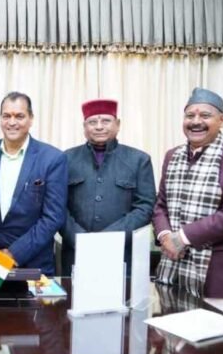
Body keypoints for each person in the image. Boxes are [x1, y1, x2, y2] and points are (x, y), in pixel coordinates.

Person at [153, 88, 223, 323]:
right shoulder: (173, 156)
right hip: (175, 276)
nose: (196, 122)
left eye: (205, 115)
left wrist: (181, 238)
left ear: (222, 120)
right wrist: (165, 236)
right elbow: (161, 205)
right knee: (177, 344)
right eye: (190, 115)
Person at [61, 99, 155, 276]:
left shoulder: (139, 160)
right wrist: (79, 239)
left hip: (123, 253)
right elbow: (57, 205)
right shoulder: (66, 158)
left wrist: (110, 238)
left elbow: (145, 207)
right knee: (74, 293)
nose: (99, 127)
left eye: (106, 121)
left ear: (117, 124)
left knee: (122, 294)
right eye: (92, 122)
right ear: (84, 127)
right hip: (76, 252)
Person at [0, 92, 67, 276]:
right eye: (6, 116)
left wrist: (12, 254)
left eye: (19, 116)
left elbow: (53, 217)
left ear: (31, 119)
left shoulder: (52, 158)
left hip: (33, 265)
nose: (12, 122)